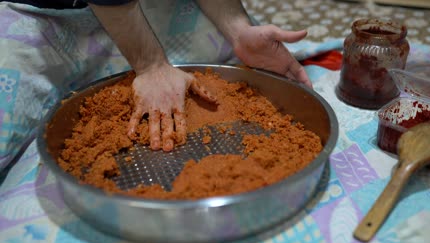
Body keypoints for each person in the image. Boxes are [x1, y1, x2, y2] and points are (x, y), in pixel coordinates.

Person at [9, 0, 313, 152]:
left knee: (221, 48)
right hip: (44, 15)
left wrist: (237, 29)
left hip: (143, 9)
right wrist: (151, 65)